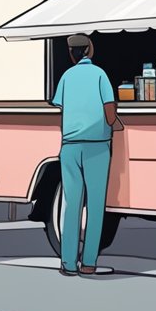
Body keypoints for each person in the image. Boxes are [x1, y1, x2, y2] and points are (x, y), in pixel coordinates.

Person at [51, 34, 117, 276]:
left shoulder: (67, 76)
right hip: (97, 146)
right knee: (96, 205)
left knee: (71, 204)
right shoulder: (100, 74)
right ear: (90, 50)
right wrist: (114, 123)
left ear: (71, 54)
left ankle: (68, 263)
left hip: (69, 146)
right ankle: (89, 263)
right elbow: (110, 112)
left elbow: (60, 104)